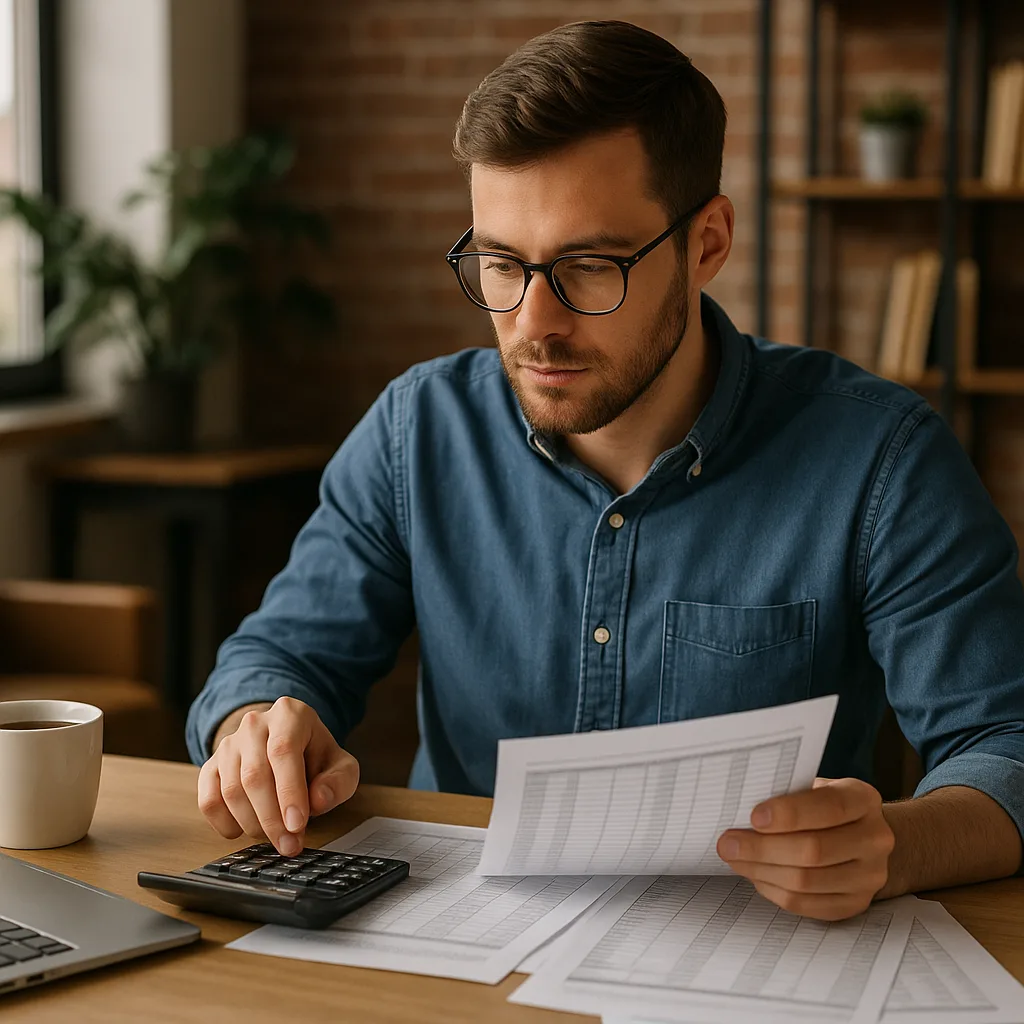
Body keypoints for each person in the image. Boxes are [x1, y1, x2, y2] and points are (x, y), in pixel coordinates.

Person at [186, 20, 1024, 922]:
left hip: (757, 961)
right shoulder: (416, 431)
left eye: (589, 267)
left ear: (707, 244)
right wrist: (258, 731)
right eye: (501, 263)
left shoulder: (879, 459)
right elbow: (277, 659)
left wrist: (897, 846)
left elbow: (1006, 746)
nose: (533, 322)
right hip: (463, 955)